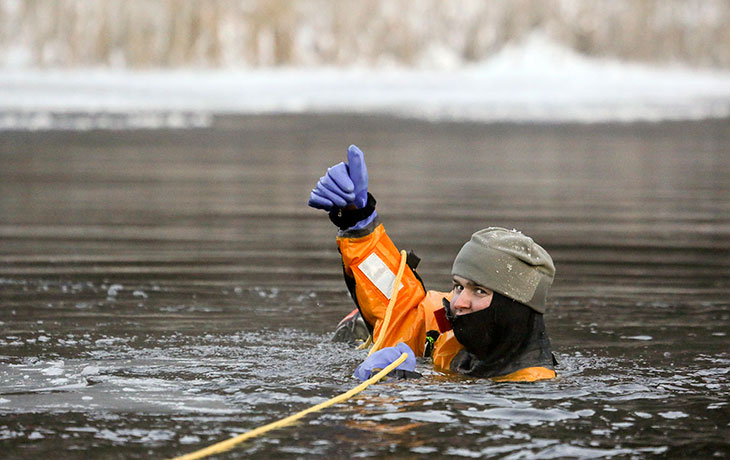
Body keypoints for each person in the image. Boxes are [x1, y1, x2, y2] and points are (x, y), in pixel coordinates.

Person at [308, 145, 557, 382]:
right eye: (458, 286)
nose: (459, 302)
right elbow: (404, 312)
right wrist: (357, 221)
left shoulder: (531, 386)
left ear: (513, 306)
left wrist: (394, 392)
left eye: (479, 290)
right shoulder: (449, 325)